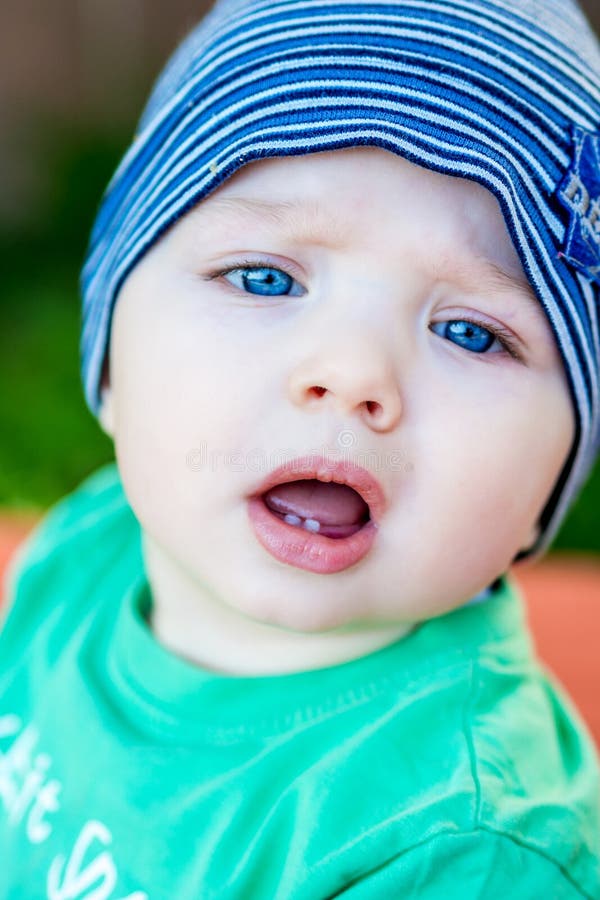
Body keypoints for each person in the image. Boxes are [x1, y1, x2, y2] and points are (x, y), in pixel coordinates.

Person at [1, 0, 599, 896]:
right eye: (265, 277)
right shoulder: (88, 544)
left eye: (473, 334)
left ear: (552, 480)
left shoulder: (461, 852)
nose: (353, 373)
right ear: (114, 358)